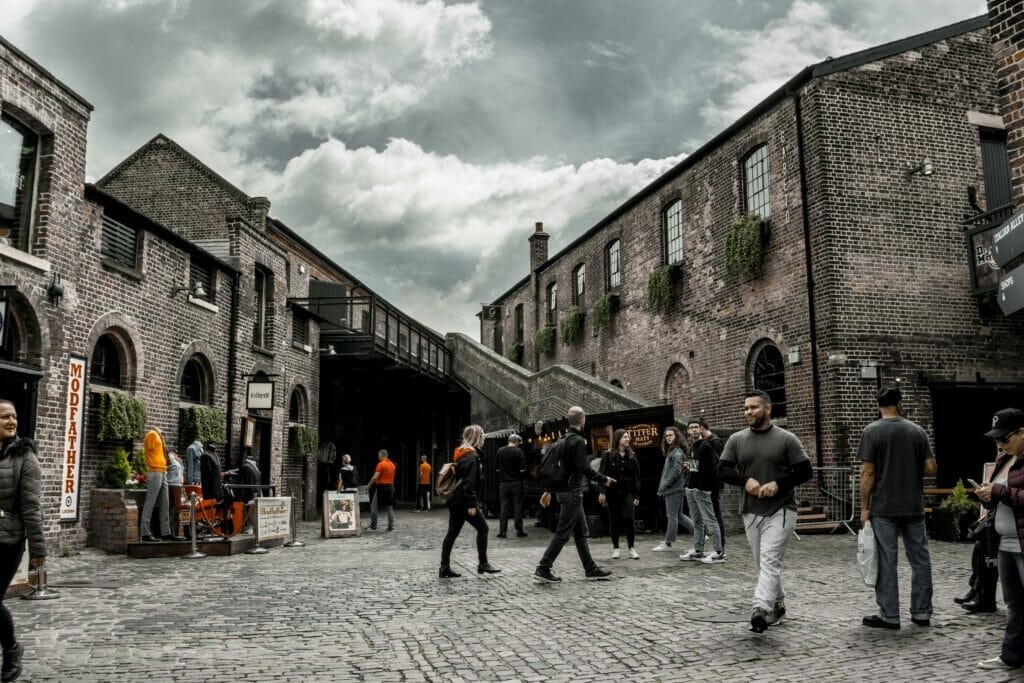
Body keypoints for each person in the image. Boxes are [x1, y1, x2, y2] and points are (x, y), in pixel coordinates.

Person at [719, 390, 812, 633]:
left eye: (754, 407)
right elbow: (723, 470)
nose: (748, 412)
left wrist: (778, 484)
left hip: (781, 510)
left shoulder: (786, 439)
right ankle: (778, 604)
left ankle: (760, 609)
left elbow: (805, 471)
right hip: (751, 511)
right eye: (746, 408)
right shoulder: (737, 440)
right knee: (764, 564)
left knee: (770, 561)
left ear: (767, 409)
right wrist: (744, 481)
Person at [858, 386, 935, 630]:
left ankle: (890, 615)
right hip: (913, 505)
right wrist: (910, 470)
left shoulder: (872, 431)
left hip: (884, 506)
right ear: (899, 403)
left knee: (887, 561)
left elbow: (868, 473)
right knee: (920, 559)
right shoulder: (917, 431)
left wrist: (864, 507)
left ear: (878, 405)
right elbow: (932, 468)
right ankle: (922, 612)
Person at [534, 406, 615, 584]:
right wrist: (604, 479)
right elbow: (583, 468)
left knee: (580, 533)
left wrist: (548, 490)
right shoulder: (577, 441)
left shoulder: (563, 439)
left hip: (565, 492)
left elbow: (560, 469)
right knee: (563, 533)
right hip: (572, 494)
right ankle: (543, 567)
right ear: (582, 419)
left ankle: (590, 569)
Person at [975, 408, 1024, 671]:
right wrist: (987, 494)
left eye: (1005, 438)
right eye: (997, 440)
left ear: (1022, 432)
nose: (1001, 444)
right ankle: (1011, 656)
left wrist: (999, 491)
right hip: (1006, 542)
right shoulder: (1004, 458)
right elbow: (1003, 495)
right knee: (1014, 604)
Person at [0, 400, 44, 682]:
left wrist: (38, 551)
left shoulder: (25, 457)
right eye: (5, 417)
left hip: (8, 540)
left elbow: (31, 506)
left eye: (14, 416)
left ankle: (12, 650)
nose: (12, 421)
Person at [440, 425, 501, 578]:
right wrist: (472, 504)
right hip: (464, 501)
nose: (484, 438)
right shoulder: (472, 456)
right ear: (476, 437)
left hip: (456, 500)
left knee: (452, 533)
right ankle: (483, 563)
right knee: (483, 528)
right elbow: (469, 483)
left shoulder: (461, 453)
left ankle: (444, 567)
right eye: (482, 436)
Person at [680, 419, 725, 563]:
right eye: (691, 427)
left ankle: (718, 553)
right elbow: (696, 467)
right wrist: (688, 483)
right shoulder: (692, 446)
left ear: (701, 430)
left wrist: (703, 487)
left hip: (702, 490)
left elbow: (712, 469)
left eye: (696, 427)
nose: (693, 430)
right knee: (697, 521)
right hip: (691, 489)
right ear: (687, 431)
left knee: (711, 520)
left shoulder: (706, 446)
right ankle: (698, 550)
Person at [598, 429, 641, 560]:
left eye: (628, 437)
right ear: (618, 439)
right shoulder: (608, 455)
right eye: (625, 437)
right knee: (614, 520)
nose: (628, 439)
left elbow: (636, 477)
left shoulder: (632, 456)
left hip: (627, 492)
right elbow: (602, 475)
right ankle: (616, 547)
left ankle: (631, 548)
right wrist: (602, 492)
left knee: (629, 518)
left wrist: (637, 495)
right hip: (612, 492)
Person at [653, 425, 693, 552]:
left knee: (672, 516)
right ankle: (701, 534)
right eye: (666, 436)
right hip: (675, 489)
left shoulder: (676, 452)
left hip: (674, 489)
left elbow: (676, 472)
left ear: (676, 436)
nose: (668, 438)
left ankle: (668, 543)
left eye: (670, 435)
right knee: (679, 515)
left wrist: (665, 486)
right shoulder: (673, 451)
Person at [140, 427, 180, 542]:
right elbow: (150, 451)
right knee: (150, 502)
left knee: (165, 502)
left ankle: (166, 532)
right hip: (155, 471)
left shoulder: (158, 436)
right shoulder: (152, 434)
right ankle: (145, 533)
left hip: (162, 471)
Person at [497, 434, 527, 538]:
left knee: (504, 507)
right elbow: (522, 469)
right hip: (516, 483)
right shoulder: (519, 452)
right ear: (515, 441)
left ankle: (502, 531)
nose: (519, 444)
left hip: (504, 483)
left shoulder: (500, 451)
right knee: (517, 506)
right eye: (519, 442)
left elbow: (497, 469)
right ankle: (519, 531)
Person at [368, 449, 396, 531]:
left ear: (381, 455)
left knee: (374, 506)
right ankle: (391, 525)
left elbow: (375, 477)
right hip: (390, 487)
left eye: (378, 455)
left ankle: (374, 524)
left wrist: (369, 485)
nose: (378, 456)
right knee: (389, 507)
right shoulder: (392, 464)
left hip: (381, 487)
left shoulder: (380, 464)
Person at [166, 450, 184, 537]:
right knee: (173, 509)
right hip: (173, 485)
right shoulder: (170, 457)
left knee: (176, 509)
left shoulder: (177, 460)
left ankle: (175, 531)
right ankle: (172, 532)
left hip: (177, 485)